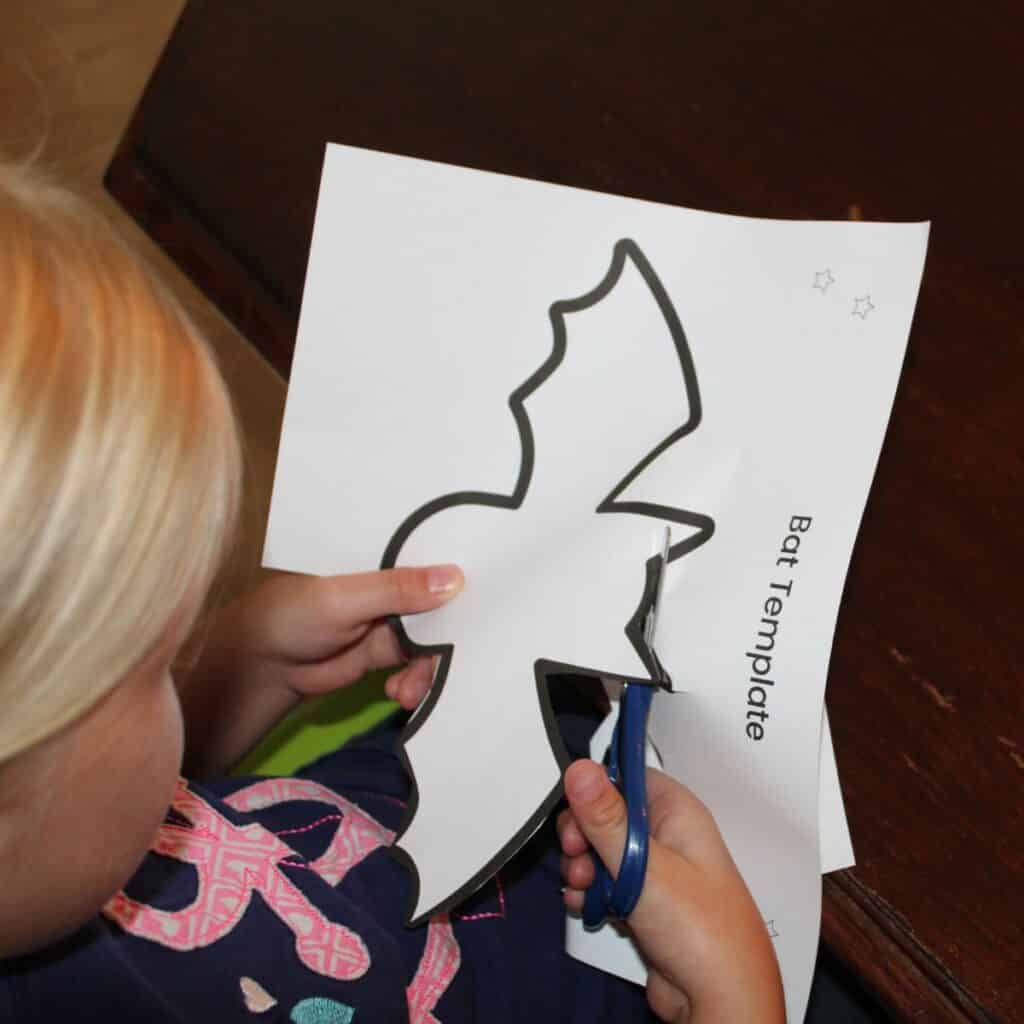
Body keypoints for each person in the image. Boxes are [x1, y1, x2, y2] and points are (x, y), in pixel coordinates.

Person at [0, 161, 784, 1024]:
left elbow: (118, 783)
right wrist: (737, 999)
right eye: (154, 665)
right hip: (660, 970)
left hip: (471, 793)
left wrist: (253, 663)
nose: (183, 673)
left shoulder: (46, 855)